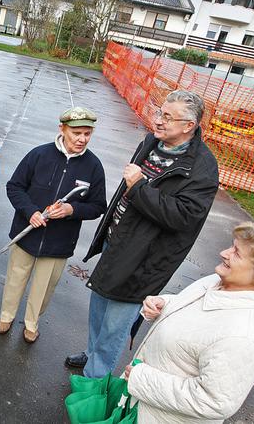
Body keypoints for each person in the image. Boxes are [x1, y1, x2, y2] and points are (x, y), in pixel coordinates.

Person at [65, 90, 219, 377]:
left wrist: (138, 187)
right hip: (117, 241)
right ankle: (92, 354)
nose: (158, 120)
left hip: (144, 258)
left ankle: (94, 380)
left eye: (167, 117)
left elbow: (183, 216)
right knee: (99, 306)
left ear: (189, 125)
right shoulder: (152, 142)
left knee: (116, 321)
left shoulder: (202, 168)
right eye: (160, 112)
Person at [123, 222, 254, 423]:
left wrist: (140, 378)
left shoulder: (243, 337)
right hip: (138, 407)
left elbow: (213, 401)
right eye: (232, 246)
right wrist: (165, 304)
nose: (224, 253)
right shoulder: (218, 281)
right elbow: (200, 318)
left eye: (237, 253)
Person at [0, 107, 107, 343]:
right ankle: (6, 316)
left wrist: (72, 210)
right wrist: (30, 212)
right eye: (76, 133)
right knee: (15, 278)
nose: (82, 139)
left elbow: (98, 206)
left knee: (44, 287)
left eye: (87, 133)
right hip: (26, 235)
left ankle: (31, 323)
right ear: (62, 129)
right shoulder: (39, 155)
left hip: (59, 243)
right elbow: (14, 187)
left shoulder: (94, 166)